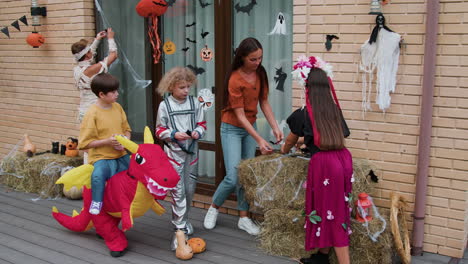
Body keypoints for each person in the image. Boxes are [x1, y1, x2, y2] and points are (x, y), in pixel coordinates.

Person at [203, 37, 283, 235]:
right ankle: (213, 208)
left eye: (260, 58)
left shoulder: (260, 74)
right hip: (232, 128)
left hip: (250, 126)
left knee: (246, 174)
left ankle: (244, 218)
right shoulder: (234, 79)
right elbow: (239, 115)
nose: (258, 63)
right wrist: (259, 139)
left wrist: (274, 127)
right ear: (242, 58)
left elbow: (263, 102)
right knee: (233, 176)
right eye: (253, 59)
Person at [281, 56, 352, 264]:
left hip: (325, 166)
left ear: (307, 88)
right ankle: (322, 256)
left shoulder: (303, 113)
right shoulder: (333, 109)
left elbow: (290, 139)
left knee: (334, 216)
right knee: (331, 210)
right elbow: (340, 134)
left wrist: (284, 150)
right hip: (342, 161)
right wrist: (308, 140)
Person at [155, 67, 206, 250]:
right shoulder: (165, 106)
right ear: (171, 87)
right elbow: (160, 130)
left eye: (188, 87)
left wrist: (196, 132)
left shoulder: (195, 103)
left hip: (192, 151)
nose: (186, 91)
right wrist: (174, 134)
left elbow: (202, 124)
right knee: (178, 190)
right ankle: (180, 230)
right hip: (173, 153)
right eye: (181, 87)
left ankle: (183, 220)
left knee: (190, 188)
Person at [78, 73, 131, 215]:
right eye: (113, 92)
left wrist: (124, 143)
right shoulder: (92, 113)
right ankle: (97, 201)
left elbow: (127, 130)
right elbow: (84, 144)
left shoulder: (118, 107)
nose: (117, 94)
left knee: (135, 173)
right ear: (101, 94)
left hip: (120, 154)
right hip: (101, 157)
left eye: (116, 91)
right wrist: (108, 141)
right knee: (98, 175)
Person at [71, 28, 118, 122]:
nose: (91, 52)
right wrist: (110, 38)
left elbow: (88, 56)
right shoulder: (91, 70)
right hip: (93, 111)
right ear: (87, 55)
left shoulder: (77, 69)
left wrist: (97, 39)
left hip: (83, 109)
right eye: (89, 51)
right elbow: (113, 56)